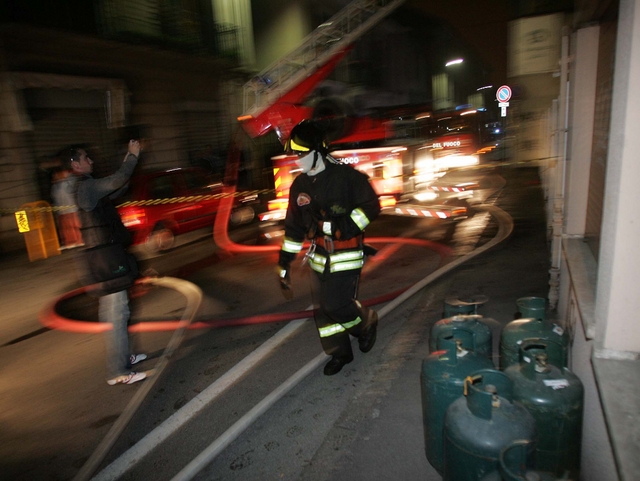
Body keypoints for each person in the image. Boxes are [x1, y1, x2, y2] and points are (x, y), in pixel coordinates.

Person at [276, 120, 381, 376]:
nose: (297, 161)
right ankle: (340, 353)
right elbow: (294, 228)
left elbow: (371, 207)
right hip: (319, 257)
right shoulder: (299, 186)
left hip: (346, 253)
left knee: (335, 305)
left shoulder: (346, 178)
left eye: (302, 154)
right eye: (295, 155)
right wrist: (284, 262)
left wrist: (340, 227)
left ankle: (365, 322)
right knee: (322, 314)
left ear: (319, 151)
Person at [69, 141, 147, 385]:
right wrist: (131, 157)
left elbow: (117, 188)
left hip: (106, 256)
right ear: (76, 164)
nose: (90, 161)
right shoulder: (86, 187)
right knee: (117, 314)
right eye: (86, 157)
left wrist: (128, 168)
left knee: (118, 312)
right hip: (106, 260)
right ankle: (119, 372)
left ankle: (124, 358)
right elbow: (115, 181)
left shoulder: (88, 187)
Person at [51, 167, 83, 249]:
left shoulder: (69, 182)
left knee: (73, 225)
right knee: (65, 227)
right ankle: (68, 242)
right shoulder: (56, 186)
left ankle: (78, 240)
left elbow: (75, 178)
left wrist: (69, 173)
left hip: (71, 208)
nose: (56, 176)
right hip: (62, 210)